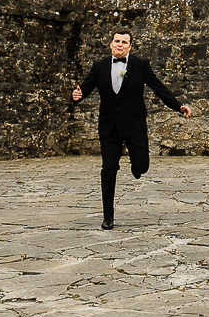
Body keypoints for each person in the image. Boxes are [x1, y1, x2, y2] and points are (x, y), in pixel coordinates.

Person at [71, 31, 191, 229]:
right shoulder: (99, 66)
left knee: (142, 165)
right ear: (110, 44)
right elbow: (84, 89)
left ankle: (137, 168)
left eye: (124, 42)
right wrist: (77, 96)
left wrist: (178, 106)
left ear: (130, 46)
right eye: (116, 41)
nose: (120, 45)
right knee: (109, 169)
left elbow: (158, 87)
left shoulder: (140, 65)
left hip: (134, 125)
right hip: (109, 126)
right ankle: (108, 217)